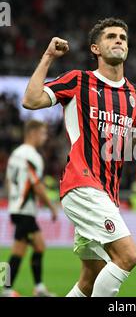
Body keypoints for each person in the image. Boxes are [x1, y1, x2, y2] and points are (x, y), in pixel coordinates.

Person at [22, 18, 136, 297]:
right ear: (96, 48)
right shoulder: (79, 81)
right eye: (111, 36)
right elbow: (31, 100)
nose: (119, 40)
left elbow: (120, 145)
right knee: (128, 256)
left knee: (91, 276)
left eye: (123, 36)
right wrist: (49, 56)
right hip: (82, 184)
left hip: (107, 193)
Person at [2, 120, 58, 297]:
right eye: (42, 133)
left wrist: (13, 200)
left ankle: (39, 288)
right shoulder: (33, 156)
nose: (45, 137)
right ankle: (6, 289)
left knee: (39, 246)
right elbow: (37, 185)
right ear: (32, 133)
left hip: (17, 208)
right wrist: (51, 207)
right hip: (25, 210)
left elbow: (8, 181)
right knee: (18, 250)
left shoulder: (15, 154)